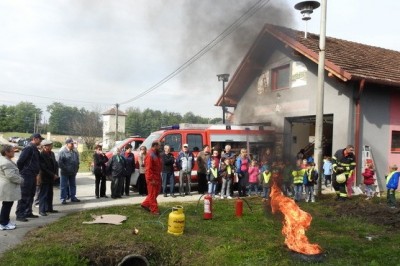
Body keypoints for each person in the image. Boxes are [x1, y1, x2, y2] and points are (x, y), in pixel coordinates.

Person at [15, 133, 43, 222]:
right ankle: (20, 214)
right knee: (24, 195)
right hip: (26, 175)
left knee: (31, 194)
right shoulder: (28, 148)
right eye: (40, 139)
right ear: (35, 139)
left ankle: (28, 212)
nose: (41, 141)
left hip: (32, 174)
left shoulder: (35, 149)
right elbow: (20, 161)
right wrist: (22, 172)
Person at [0, 145, 23, 230]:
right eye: (12, 151)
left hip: (7, 186)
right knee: (7, 205)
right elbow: (11, 176)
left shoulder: (4, 160)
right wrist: (21, 180)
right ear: (6, 152)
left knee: (7, 205)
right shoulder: (6, 162)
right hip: (8, 187)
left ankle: (6, 221)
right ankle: (3, 223)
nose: (14, 152)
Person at [38, 140, 59, 216]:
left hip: (52, 177)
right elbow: (43, 168)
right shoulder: (41, 155)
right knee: (43, 194)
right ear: (44, 146)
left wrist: (55, 174)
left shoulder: (52, 153)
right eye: (49, 145)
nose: (51, 146)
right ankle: (42, 210)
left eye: (51, 145)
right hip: (45, 177)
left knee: (50, 193)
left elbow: (55, 164)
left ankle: (49, 208)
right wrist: (52, 175)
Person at [141, 141, 162, 215]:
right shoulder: (150, 154)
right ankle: (154, 210)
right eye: (159, 146)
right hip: (152, 178)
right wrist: (151, 179)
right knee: (152, 194)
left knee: (155, 193)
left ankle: (145, 204)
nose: (160, 147)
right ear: (155, 146)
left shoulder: (156, 154)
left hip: (157, 177)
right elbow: (148, 168)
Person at [59, 138, 80, 204]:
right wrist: (66, 169)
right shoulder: (62, 152)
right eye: (71, 144)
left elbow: (77, 161)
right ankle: (63, 199)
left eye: (73, 144)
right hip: (65, 172)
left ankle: (73, 197)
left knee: (73, 185)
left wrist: (76, 169)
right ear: (67, 144)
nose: (72, 145)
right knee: (63, 186)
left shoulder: (75, 152)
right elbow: (60, 163)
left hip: (73, 172)